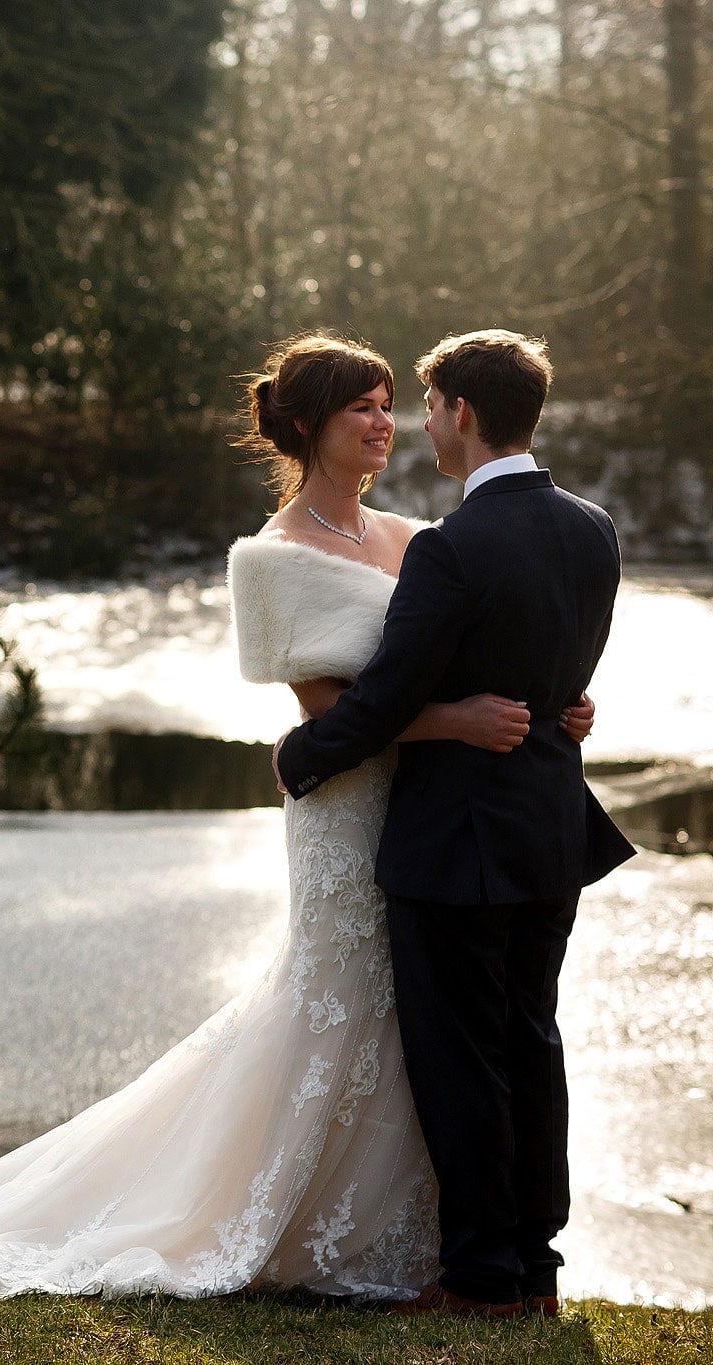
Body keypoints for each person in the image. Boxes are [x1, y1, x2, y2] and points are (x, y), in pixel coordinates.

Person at [0, 333, 595, 1304]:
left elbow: (459, 653)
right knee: (345, 1008)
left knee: (425, 1033)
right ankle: (291, 1218)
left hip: (435, 799)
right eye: (361, 407)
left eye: (392, 404)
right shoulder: (266, 560)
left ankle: (428, 1240)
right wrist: (449, 723)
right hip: (353, 805)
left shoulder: (413, 539)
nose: (384, 425)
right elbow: (329, 708)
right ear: (306, 424)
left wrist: (543, 703)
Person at [273, 328, 634, 1319]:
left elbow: (386, 697)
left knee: (460, 1059)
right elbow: (560, 670)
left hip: (455, 844)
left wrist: (300, 756)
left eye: (424, 407)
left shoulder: (449, 548)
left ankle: (479, 1278)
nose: (416, 424)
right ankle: (534, 1270)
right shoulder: (590, 527)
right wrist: (564, 705)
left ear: (459, 414)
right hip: (550, 834)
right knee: (530, 1043)